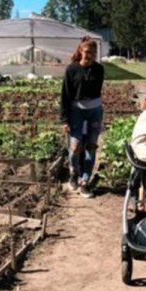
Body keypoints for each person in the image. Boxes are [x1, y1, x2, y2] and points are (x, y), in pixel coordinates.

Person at [59, 37, 104, 198]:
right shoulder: (71, 70)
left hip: (94, 111)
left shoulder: (99, 69)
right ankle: (73, 174)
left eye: (93, 52)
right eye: (86, 52)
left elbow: (93, 91)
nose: (90, 55)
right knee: (76, 145)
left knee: (91, 146)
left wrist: (88, 68)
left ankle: (85, 181)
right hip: (76, 111)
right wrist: (64, 119)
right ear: (80, 51)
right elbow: (65, 95)